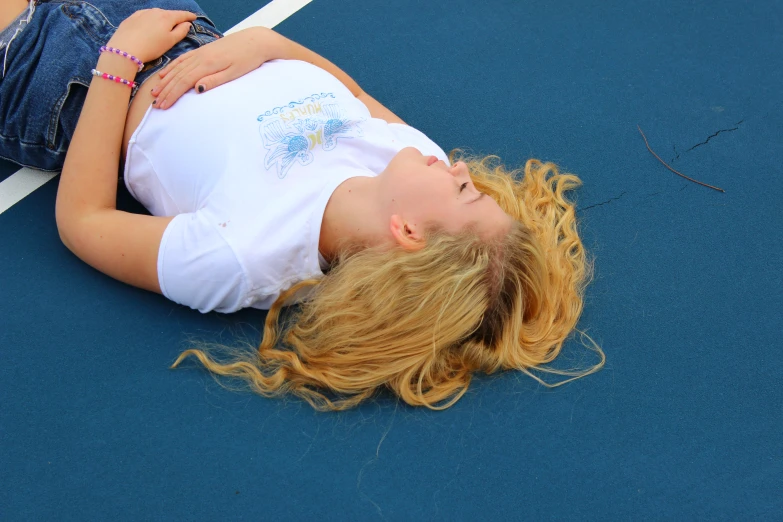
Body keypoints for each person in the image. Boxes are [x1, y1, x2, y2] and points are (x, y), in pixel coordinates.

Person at [0, 1, 604, 410]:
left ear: (409, 232)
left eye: (466, 192)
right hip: (167, 23)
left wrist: (119, 62)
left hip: (66, 76)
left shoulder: (244, 256)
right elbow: (357, 94)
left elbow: (84, 221)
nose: (464, 170)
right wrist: (265, 43)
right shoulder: (412, 155)